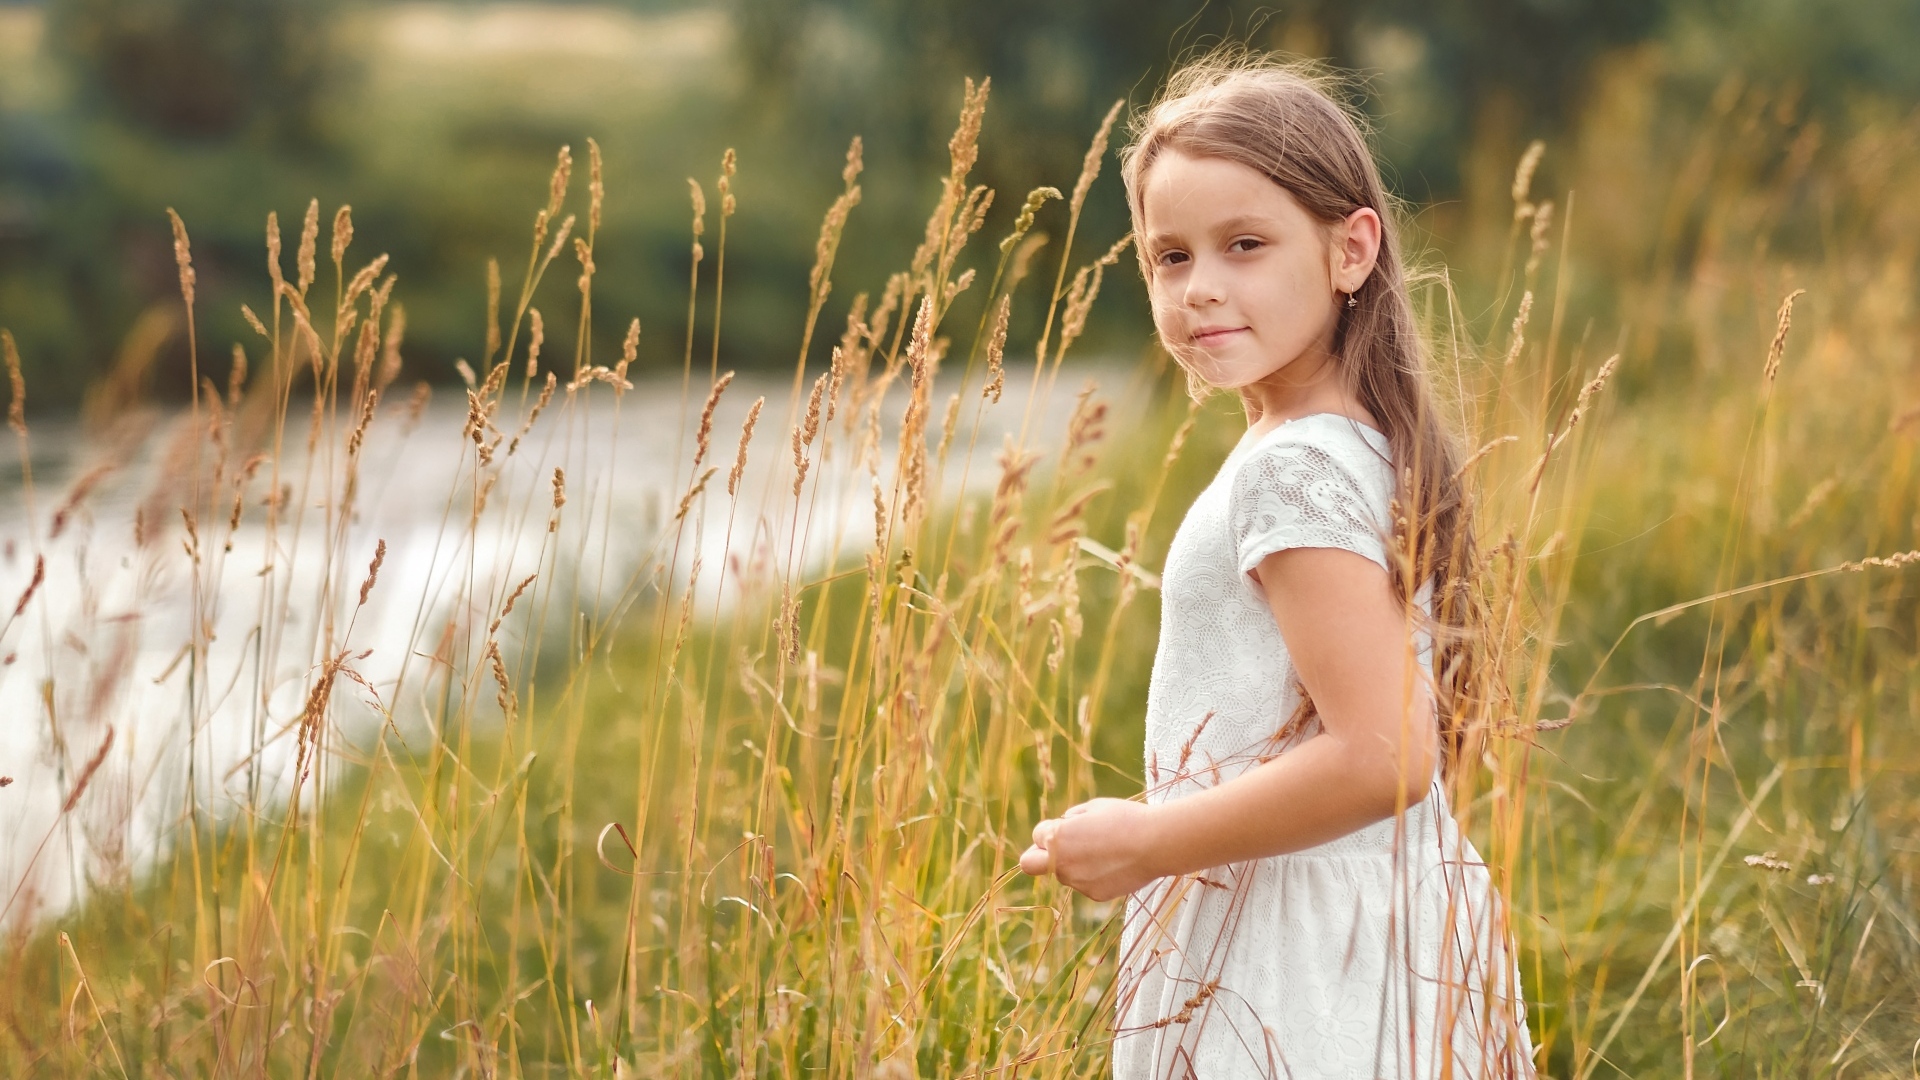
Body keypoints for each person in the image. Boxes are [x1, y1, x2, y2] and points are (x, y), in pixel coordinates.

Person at [1017, 53, 1537, 1079]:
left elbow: (1386, 755)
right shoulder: (1335, 438)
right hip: (1351, 917)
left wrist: (1147, 843)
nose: (1202, 286)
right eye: (1170, 257)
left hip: (1299, 955)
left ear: (1351, 251)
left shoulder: (1295, 468)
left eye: (1244, 245)